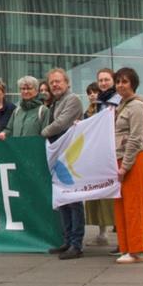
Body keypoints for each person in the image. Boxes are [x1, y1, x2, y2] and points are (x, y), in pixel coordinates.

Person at [41, 68, 85, 260]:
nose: (55, 85)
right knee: (63, 200)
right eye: (52, 83)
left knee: (74, 200)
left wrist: (42, 133)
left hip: (70, 155)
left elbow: (61, 123)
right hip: (58, 155)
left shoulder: (72, 100)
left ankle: (76, 243)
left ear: (67, 83)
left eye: (58, 81)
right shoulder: (55, 102)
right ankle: (67, 240)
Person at [113, 67, 143, 264]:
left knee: (133, 205)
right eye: (118, 81)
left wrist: (124, 167)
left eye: (125, 82)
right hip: (124, 159)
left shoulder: (136, 106)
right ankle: (140, 248)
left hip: (134, 159)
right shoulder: (122, 105)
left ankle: (136, 250)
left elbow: (136, 138)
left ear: (133, 84)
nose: (120, 85)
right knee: (124, 205)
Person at [86, 68, 118, 248]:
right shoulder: (99, 103)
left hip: (114, 152)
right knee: (100, 194)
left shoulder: (117, 101)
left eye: (107, 79)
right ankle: (102, 232)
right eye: (101, 80)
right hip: (99, 153)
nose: (104, 83)